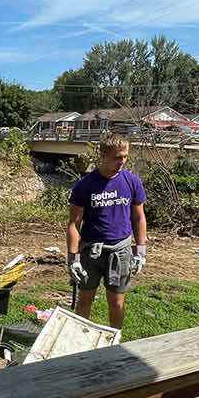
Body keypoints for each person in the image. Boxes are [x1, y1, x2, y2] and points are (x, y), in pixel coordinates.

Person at [66, 131, 147, 329]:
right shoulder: (85, 185)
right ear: (103, 155)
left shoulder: (131, 181)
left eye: (125, 156)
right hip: (91, 252)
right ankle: (80, 341)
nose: (122, 161)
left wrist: (141, 250)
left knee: (117, 302)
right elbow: (74, 224)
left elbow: (138, 217)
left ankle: (115, 343)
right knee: (85, 300)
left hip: (120, 251)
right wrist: (72, 259)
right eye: (117, 157)